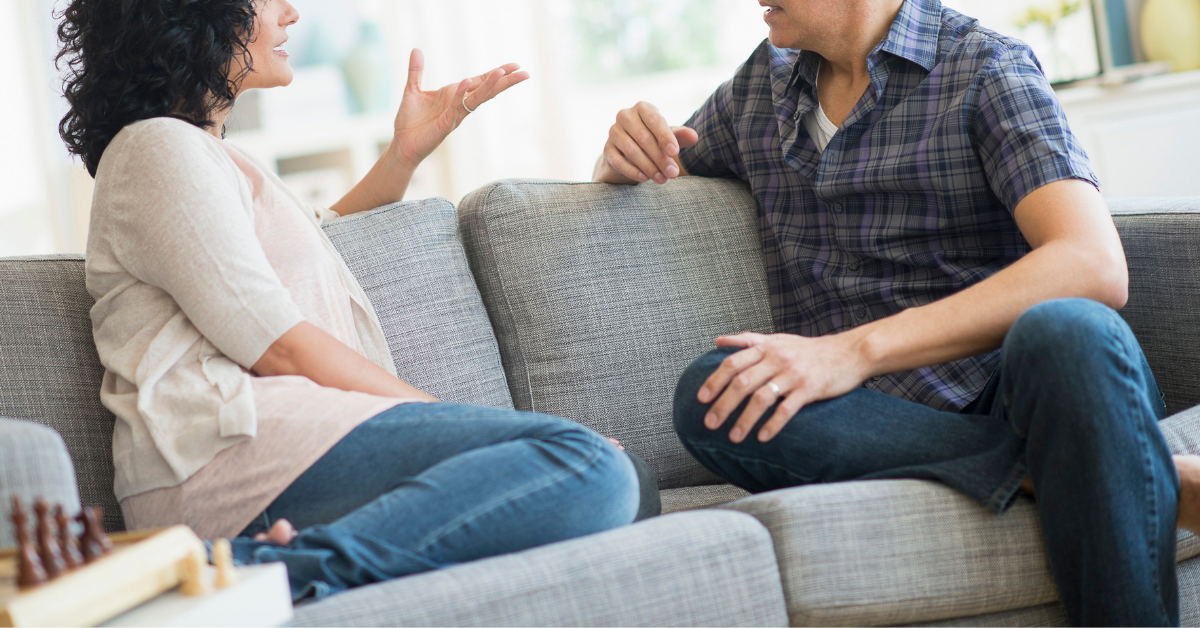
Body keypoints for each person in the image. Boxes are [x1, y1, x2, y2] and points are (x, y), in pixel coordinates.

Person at [595, 0, 1200, 625]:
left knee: (1068, 328)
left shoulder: (984, 66)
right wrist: (617, 161)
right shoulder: (759, 88)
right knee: (713, 388)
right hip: (870, 421)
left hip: (1019, 390)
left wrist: (850, 352)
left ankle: (1091, 448)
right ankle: (1123, 465)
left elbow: (1093, 264)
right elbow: (655, 165)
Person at [58, 0, 648, 602]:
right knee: (587, 465)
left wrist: (405, 153)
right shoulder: (157, 149)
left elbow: (316, 238)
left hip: (289, 446)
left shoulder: (205, 155)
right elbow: (279, 347)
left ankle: (296, 567)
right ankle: (251, 574)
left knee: (630, 487)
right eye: (267, 0)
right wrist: (490, 426)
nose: (291, 12)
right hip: (228, 461)